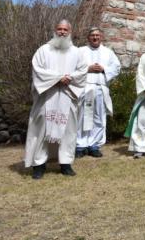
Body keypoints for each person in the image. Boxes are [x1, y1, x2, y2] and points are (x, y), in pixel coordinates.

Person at [24, 20, 88, 179]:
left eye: (65, 29)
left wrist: (70, 78)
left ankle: (65, 164)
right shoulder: (43, 50)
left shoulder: (77, 52)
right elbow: (37, 71)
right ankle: (39, 165)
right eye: (59, 29)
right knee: (41, 131)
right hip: (47, 97)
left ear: (70, 31)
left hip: (67, 96)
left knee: (68, 131)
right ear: (55, 30)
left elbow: (82, 71)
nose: (62, 32)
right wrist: (58, 78)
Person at [76, 28, 121, 158]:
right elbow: (73, 67)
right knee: (82, 117)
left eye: (97, 35)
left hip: (100, 88)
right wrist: (88, 69)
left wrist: (104, 69)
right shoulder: (80, 51)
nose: (95, 37)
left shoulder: (108, 52)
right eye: (92, 35)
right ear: (88, 37)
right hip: (85, 87)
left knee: (98, 117)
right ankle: (80, 145)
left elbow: (116, 67)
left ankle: (94, 145)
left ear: (101, 37)